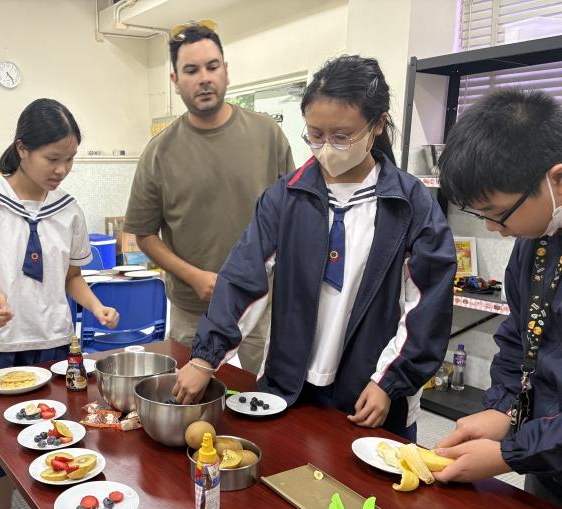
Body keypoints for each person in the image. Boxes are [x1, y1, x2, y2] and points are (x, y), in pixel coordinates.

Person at [173, 55, 457, 441]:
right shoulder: (285, 197)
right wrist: (205, 358)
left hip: (372, 393)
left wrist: (390, 381)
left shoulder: (410, 205)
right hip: (292, 387)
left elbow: (426, 308)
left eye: (342, 136)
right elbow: (243, 278)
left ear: (377, 125)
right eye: (316, 135)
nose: (326, 148)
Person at [0, 98, 119, 509]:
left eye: (70, 159)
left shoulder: (69, 210)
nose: (62, 169)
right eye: (53, 158)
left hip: (52, 346)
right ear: (22, 149)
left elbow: (71, 278)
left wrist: (96, 306)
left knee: (57, 441)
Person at [123, 22, 293, 375]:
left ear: (226, 71)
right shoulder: (159, 152)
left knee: (265, 396)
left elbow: (291, 214)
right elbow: (144, 234)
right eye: (191, 70)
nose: (204, 78)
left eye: (212, 67)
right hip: (192, 310)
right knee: (189, 397)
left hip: (259, 306)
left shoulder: (267, 135)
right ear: (175, 81)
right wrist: (194, 276)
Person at [434, 88, 562, 506]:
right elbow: (519, 339)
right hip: (546, 466)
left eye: (497, 212)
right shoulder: (535, 240)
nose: (492, 228)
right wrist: (503, 410)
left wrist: (510, 453)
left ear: (557, 180)